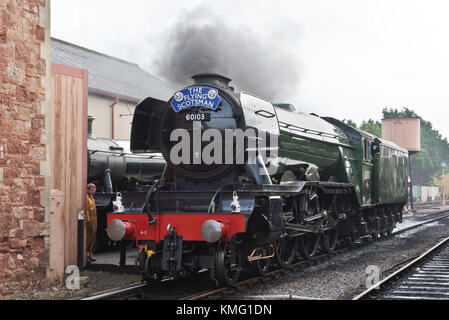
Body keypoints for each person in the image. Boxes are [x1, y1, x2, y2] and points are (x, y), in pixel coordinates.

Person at [86, 183, 97, 262]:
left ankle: (90, 254)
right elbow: (86, 210)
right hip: (90, 221)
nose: (94, 191)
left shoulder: (92, 198)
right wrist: (88, 220)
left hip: (94, 221)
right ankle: (86, 254)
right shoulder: (87, 198)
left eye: (94, 190)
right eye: (92, 190)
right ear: (88, 190)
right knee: (88, 238)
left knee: (93, 238)